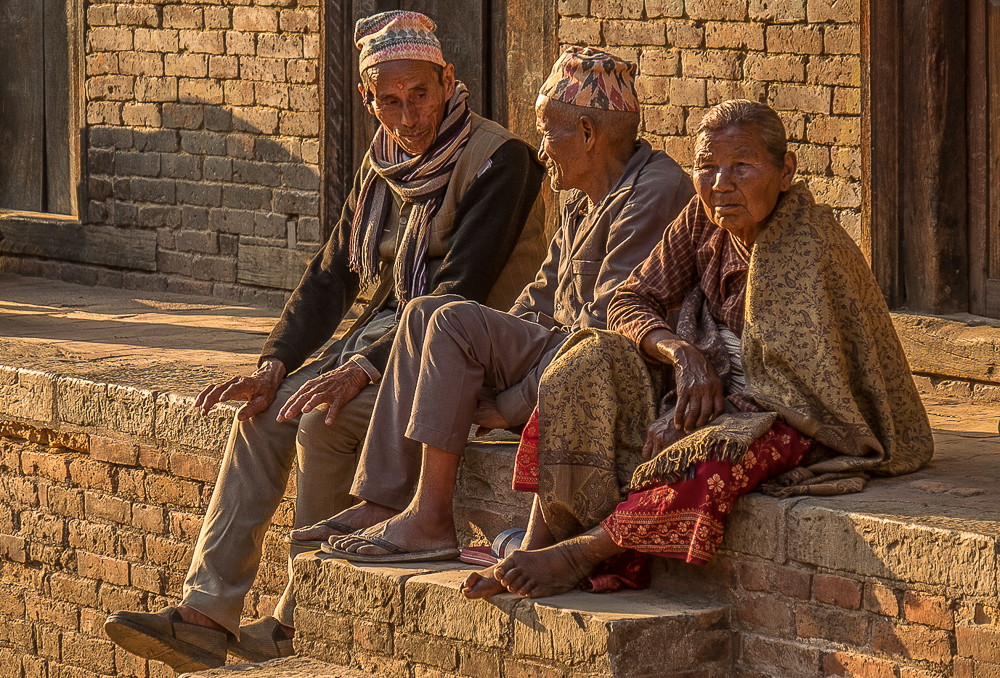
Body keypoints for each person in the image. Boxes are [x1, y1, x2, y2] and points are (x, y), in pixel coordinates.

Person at [103, 10, 547, 672]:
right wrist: (275, 364)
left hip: (466, 353)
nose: (409, 115)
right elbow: (329, 279)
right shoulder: (383, 166)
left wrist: (359, 371)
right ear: (368, 100)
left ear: (447, 80)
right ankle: (204, 614)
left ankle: (296, 614)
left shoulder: (498, 159)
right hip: (381, 339)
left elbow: (457, 291)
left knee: (323, 416)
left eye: (421, 94)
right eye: (390, 101)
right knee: (263, 413)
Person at [461, 99, 935, 599]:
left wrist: (688, 421)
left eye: (743, 166)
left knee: (713, 453)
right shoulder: (704, 218)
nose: (721, 184)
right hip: (709, 380)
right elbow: (630, 299)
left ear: (785, 171)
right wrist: (683, 357)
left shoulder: (808, 249)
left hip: (800, 410)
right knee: (583, 361)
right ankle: (539, 539)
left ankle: (583, 552)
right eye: (706, 168)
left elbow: (792, 386)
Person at [295, 47, 695, 562]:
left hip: (611, 371)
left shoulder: (653, 190)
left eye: (549, 132)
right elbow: (542, 296)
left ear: (590, 134)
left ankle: (432, 520)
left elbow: (606, 332)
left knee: (453, 322)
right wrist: (491, 357)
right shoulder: (579, 192)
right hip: (558, 352)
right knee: (424, 314)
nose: (542, 149)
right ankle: (381, 503)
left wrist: (510, 403)